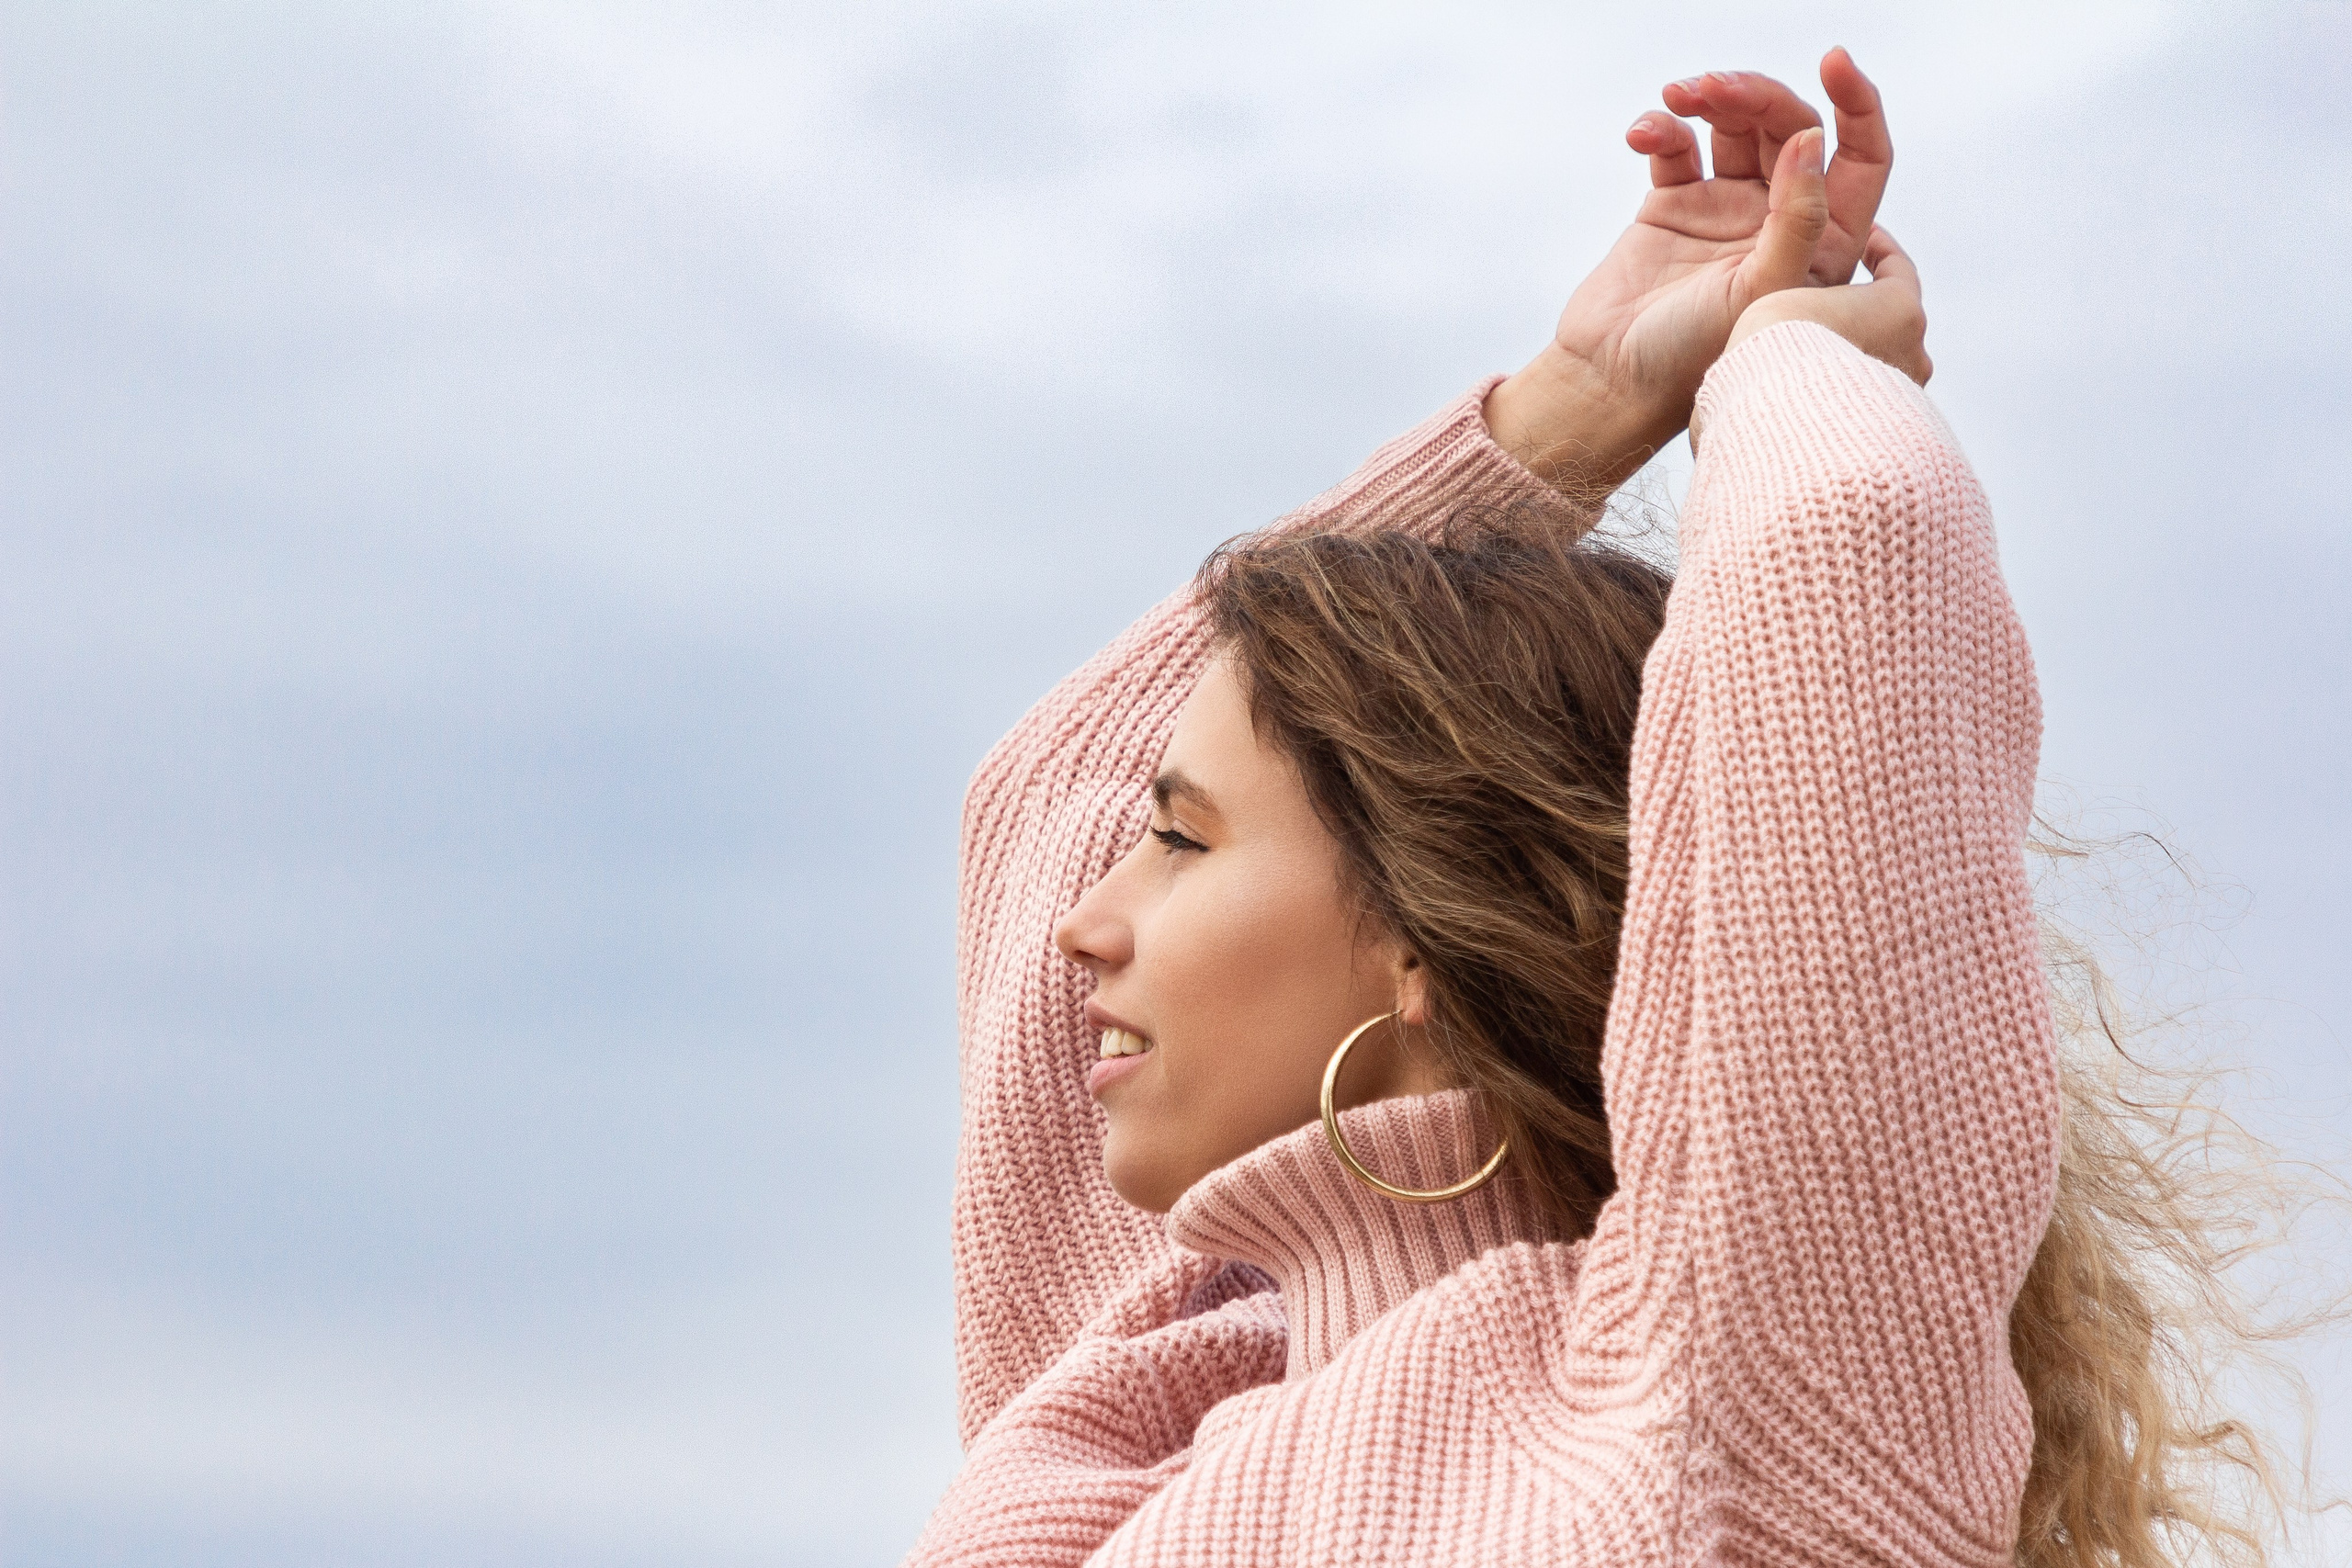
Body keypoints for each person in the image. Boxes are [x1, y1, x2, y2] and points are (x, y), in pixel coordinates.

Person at [910, 51, 2280, 1568]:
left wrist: (1787, 354)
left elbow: (1847, 538)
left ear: (1425, 923)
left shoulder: (1722, 1389)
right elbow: (1046, 787)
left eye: (1179, 841)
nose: (1083, 924)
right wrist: (1591, 396)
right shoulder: (1134, 1402)